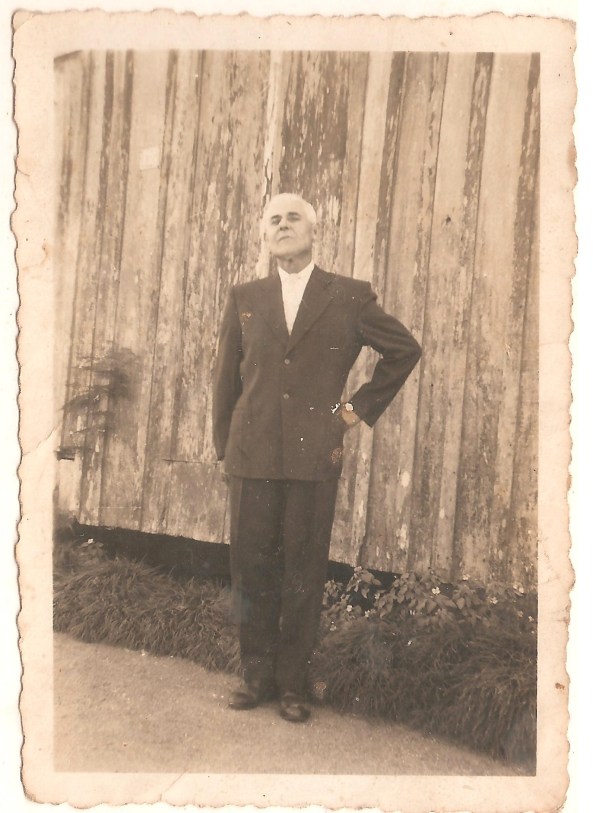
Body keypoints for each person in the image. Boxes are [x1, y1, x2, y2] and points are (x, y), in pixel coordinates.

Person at [213, 193, 421, 723]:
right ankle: (255, 676)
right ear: (264, 236)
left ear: (313, 231)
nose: (283, 226)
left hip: (312, 456)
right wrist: (223, 448)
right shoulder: (245, 297)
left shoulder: (347, 296)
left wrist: (352, 412)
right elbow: (225, 378)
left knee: (303, 571)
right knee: (250, 568)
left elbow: (404, 350)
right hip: (251, 454)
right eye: (274, 220)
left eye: (293, 218)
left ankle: (293, 684)